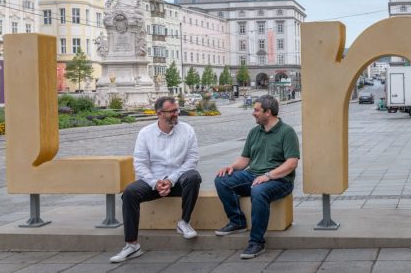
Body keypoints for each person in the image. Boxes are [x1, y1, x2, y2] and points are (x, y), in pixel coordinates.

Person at [110, 96, 201, 263]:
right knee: (130, 192)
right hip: (154, 181)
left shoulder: (187, 130)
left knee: (193, 177)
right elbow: (140, 163)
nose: (176, 114)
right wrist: (155, 183)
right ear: (159, 113)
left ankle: (184, 222)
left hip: (178, 180)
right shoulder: (145, 133)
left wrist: (171, 180)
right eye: (172, 111)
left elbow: (192, 159)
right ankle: (132, 245)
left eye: (177, 110)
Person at [214, 95, 300, 259]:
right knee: (222, 180)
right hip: (253, 175)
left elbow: (291, 163)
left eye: (256, 110)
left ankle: (256, 242)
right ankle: (237, 221)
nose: (253, 113)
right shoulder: (254, 132)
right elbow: (245, 160)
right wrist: (231, 167)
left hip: (280, 180)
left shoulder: (286, 132)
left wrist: (268, 176)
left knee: (259, 191)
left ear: (268, 112)